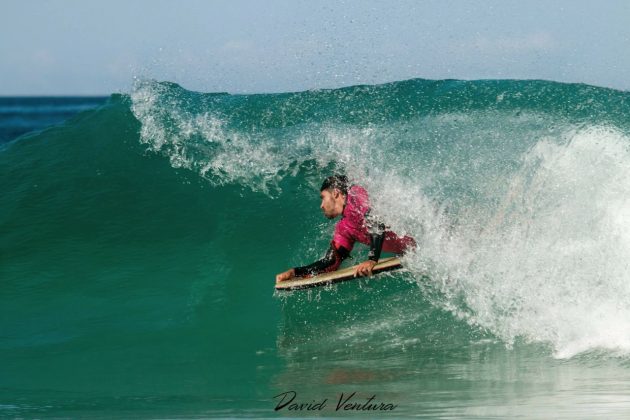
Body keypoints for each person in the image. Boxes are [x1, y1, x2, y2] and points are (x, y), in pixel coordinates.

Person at [275, 175, 416, 282]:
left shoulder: (356, 194)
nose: (321, 205)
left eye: (323, 197)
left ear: (335, 193)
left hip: (423, 237)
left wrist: (372, 259)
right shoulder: (344, 228)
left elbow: (375, 221)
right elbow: (331, 262)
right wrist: (295, 272)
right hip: (414, 251)